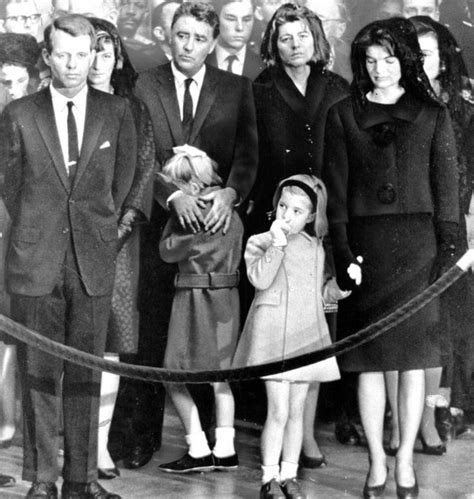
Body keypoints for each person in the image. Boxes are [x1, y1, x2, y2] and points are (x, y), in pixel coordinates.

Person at [0, 14, 137, 499]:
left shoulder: (116, 111)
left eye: (83, 54)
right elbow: (11, 189)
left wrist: (94, 231)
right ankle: (42, 478)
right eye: (63, 54)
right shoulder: (20, 114)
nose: (74, 64)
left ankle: (82, 480)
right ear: (48, 56)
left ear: (95, 54)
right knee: (38, 372)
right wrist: (40, 232)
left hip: (92, 261)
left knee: (86, 372)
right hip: (36, 262)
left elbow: (120, 186)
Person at [323, 17, 459, 498]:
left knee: (412, 361)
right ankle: (377, 463)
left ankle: (404, 462)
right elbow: (335, 195)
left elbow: (446, 189)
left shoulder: (433, 113)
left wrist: (448, 251)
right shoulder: (342, 114)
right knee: (369, 361)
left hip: (419, 250)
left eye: (389, 58)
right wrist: (341, 252)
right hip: (366, 249)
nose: (380, 69)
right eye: (370, 60)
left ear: (407, 60)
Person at [132, 0, 258, 472]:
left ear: (214, 42)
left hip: (218, 228)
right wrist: (171, 197)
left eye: (199, 38)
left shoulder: (235, 87)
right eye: (181, 35)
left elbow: (248, 154)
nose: (189, 46)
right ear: (169, 35)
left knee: (211, 350)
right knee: (161, 343)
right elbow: (141, 155)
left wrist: (229, 194)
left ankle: (212, 446)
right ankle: (151, 440)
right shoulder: (147, 83)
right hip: (164, 231)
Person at [249, 3, 351, 463]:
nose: (295, 44)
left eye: (303, 36)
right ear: (274, 43)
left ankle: (306, 433)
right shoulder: (261, 89)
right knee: (283, 321)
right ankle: (284, 436)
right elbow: (252, 154)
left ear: (317, 39)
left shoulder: (336, 88)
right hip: (281, 220)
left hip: (327, 221)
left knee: (319, 323)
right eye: (286, 37)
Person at [382, 15, 474, 450]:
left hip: (455, 227)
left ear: (444, 58)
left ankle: (440, 411)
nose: (419, 61)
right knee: (405, 323)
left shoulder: (464, 108)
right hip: (408, 228)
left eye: (428, 53)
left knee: (446, 323)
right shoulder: (394, 105)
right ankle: (404, 419)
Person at [233, 174, 344, 499]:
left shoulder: (316, 248)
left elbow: (320, 296)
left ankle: (289, 474)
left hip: (305, 336)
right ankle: (268, 478)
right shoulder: (261, 241)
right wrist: (277, 244)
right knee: (278, 411)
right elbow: (260, 279)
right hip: (272, 334)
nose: (286, 216)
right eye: (283, 206)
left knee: (297, 413)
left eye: (297, 211)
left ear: (311, 216)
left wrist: (340, 289)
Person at [86, 16, 156, 479]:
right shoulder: (58, 106)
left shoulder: (133, 110)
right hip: (63, 244)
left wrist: (116, 231)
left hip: (117, 248)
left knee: (111, 346)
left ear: (118, 60)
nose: (96, 61)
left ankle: (98, 444)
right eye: (89, 50)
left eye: (106, 52)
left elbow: (143, 176)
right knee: (67, 343)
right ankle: (66, 440)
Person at [157, 146, 242, 473]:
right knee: (221, 379)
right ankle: (225, 449)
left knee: (173, 376)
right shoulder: (229, 211)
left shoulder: (188, 216)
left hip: (192, 301)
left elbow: (166, 252)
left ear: (191, 187)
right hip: (226, 300)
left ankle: (197, 447)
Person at [206, 0, 264, 80]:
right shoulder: (200, 60)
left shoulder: (263, 66)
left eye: (246, 20)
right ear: (216, 20)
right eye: (231, 19)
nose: (240, 27)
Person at [304, 0, 352, 81]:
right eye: (304, 18)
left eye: (319, 19)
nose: (308, 26)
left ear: (340, 29)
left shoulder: (351, 57)